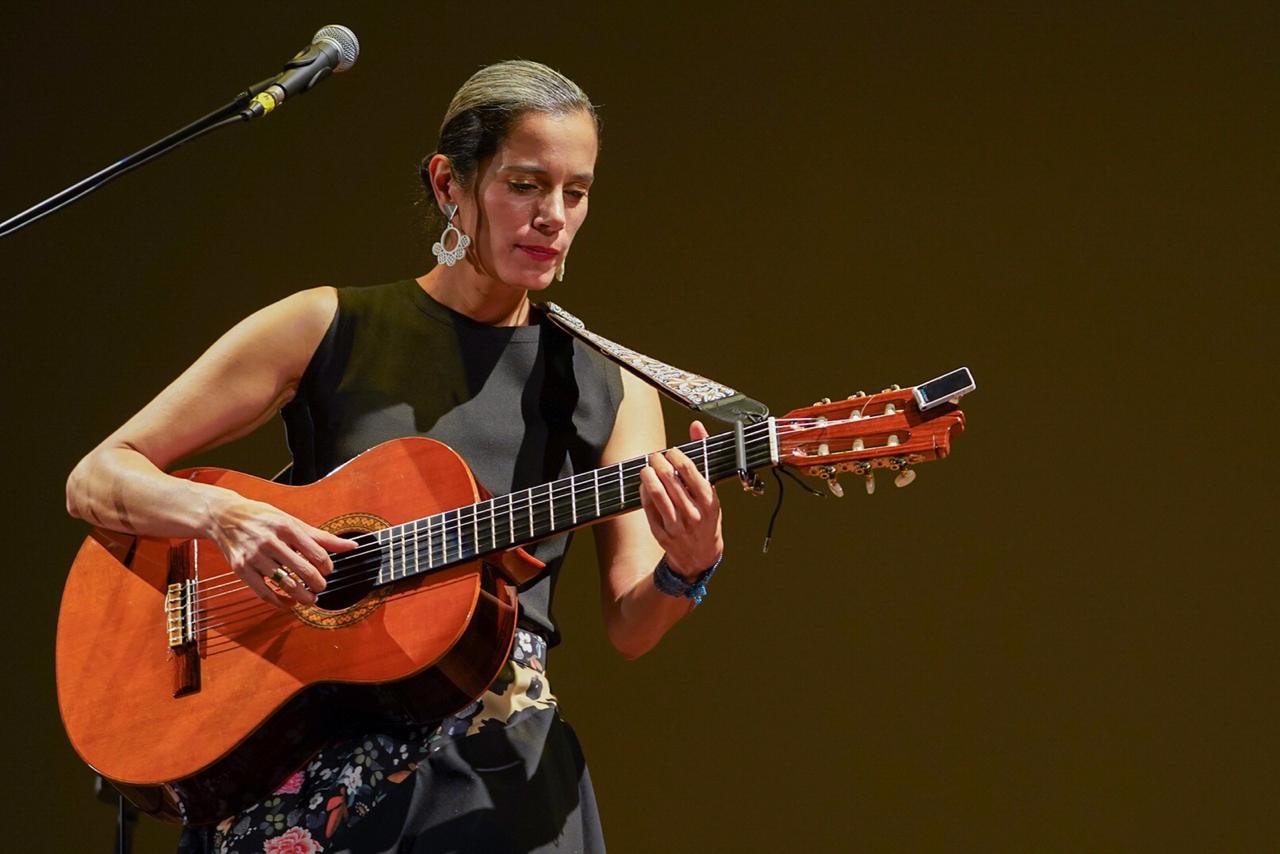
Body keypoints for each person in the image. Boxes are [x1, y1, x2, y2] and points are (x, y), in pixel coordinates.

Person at [65, 60, 725, 853]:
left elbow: (630, 623)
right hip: (301, 756)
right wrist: (227, 515)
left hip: (492, 779)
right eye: (525, 185)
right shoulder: (326, 325)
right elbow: (99, 475)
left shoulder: (610, 382)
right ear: (451, 183)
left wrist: (686, 568)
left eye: (575, 192)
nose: (553, 215)